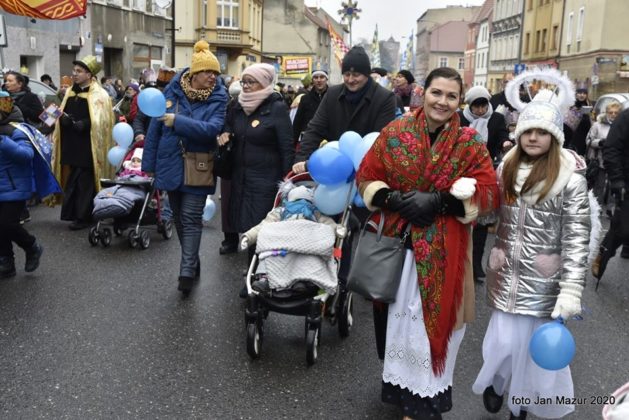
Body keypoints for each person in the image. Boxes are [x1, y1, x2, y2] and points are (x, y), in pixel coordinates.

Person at [354, 66, 499, 420]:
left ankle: (425, 402)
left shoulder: (469, 143)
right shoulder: (396, 131)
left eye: (451, 96)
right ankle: (404, 395)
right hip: (399, 248)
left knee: (434, 328)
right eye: (437, 93)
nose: (442, 102)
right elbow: (367, 177)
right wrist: (394, 199)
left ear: (459, 101)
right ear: (423, 93)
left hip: (445, 251)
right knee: (399, 326)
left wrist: (440, 202)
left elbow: (489, 193)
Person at [472, 78, 591, 419]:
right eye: (528, 131)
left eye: (542, 132)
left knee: (533, 352)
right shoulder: (506, 168)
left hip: (544, 280)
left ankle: (520, 404)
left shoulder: (570, 180)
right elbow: (490, 214)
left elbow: (577, 239)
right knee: (502, 343)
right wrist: (473, 197)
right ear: (519, 133)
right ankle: (497, 382)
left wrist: (571, 290)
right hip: (507, 275)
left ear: (554, 137)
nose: (534, 138)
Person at [142, 40, 228, 297]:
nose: (212, 77)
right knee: (178, 217)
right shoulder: (172, 91)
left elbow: (212, 130)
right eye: (207, 72)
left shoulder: (219, 98)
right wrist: (149, 165)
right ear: (194, 73)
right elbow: (154, 131)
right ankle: (192, 259)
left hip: (199, 164)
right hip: (170, 161)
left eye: (215, 73)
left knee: (191, 218)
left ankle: (186, 271)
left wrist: (177, 121)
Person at [217, 63, 294, 296]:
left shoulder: (277, 108)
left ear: (265, 83)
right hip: (240, 176)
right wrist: (224, 134)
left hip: (266, 180)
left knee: (260, 230)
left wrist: (287, 183)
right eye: (244, 82)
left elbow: (286, 147)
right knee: (244, 226)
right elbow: (227, 126)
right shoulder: (236, 106)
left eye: (252, 82)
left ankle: (255, 279)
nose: (247, 86)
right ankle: (255, 275)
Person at [50, 55, 115, 230]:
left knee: (84, 181)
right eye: (74, 71)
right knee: (73, 180)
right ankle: (73, 214)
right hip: (71, 144)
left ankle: (83, 217)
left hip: (88, 146)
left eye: (79, 71)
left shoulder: (100, 95)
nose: (74, 74)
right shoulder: (70, 92)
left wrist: (86, 124)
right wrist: (61, 120)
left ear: (89, 74)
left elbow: (103, 121)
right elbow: (59, 113)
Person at [458, 85, 511, 283]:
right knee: (461, 217)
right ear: (469, 105)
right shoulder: (459, 118)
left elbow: (502, 135)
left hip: (485, 173)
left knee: (481, 221)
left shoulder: (496, 118)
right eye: (476, 106)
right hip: (461, 172)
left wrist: (505, 143)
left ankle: (476, 265)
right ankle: (459, 262)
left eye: (483, 106)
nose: (480, 110)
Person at [0, 91, 44, 279]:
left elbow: (26, 155)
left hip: (15, 187)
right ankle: (6, 262)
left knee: (7, 224)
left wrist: (2, 141)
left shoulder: (18, 130)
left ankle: (32, 246)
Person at [592, 106, 629, 278]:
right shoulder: (625, 118)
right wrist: (617, 180)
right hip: (626, 182)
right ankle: (603, 254)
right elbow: (612, 149)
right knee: (623, 228)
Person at [217, 78, 242, 256]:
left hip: (255, 161)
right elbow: (223, 125)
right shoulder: (230, 106)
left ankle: (254, 239)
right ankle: (230, 239)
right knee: (228, 200)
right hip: (231, 158)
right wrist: (226, 133)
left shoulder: (268, 104)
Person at [586, 101, 620, 204]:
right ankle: (596, 207)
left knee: (614, 186)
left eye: (616, 113)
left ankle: (611, 208)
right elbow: (588, 141)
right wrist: (600, 142)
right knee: (598, 186)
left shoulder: (622, 126)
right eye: (611, 112)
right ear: (606, 112)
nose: (613, 115)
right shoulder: (597, 125)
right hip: (599, 161)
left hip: (615, 162)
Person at [292, 69, 328, 146]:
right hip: (309, 141)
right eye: (316, 77)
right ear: (312, 80)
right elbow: (297, 123)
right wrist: (292, 145)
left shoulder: (333, 97)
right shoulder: (305, 99)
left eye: (322, 77)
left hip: (328, 141)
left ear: (326, 79)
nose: (319, 80)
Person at [564, 87, 592, 155]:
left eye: (584, 93)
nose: (582, 95)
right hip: (569, 136)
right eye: (580, 93)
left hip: (582, 138)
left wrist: (586, 116)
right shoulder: (571, 105)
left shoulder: (589, 106)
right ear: (576, 94)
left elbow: (589, 125)